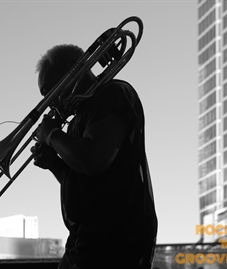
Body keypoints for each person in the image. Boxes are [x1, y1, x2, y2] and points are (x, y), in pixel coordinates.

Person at [31, 44, 158, 269]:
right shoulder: (77, 120)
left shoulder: (112, 94)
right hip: (87, 238)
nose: (49, 103)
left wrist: (51, 135)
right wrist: (54, 164)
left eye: (49, 92)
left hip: (115, 239)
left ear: (71, 76)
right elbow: (85, 184)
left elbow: (93, 160)